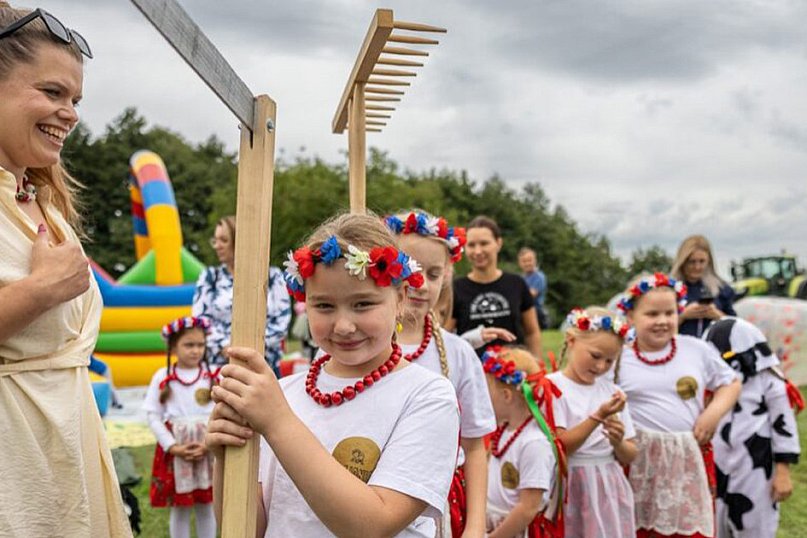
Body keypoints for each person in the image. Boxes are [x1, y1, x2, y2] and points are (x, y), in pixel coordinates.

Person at [206, 212, 460, 537]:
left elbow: (372, 526)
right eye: (323, 306)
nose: (343, 326)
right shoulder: (282, 393)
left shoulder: (427, 396)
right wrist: (225, 460)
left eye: (363, 304)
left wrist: (277, 422)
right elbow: (245, 528)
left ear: (400, 299)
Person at [0, 4, 132, 536]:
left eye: (75, 99)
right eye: (52, 93)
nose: (71, 113)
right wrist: (39, 291)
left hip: (63, 459)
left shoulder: (46, 203)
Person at [386, 210, 496, 537]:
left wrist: (475, 526)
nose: (420, 284)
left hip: (440, 504)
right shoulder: (358, 349)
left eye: (433, 274)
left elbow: (476, 446)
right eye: (410, 270)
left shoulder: (458, 353)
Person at [615, 273, 741, 538]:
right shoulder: (619, 357)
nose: (662, 321)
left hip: (686, 459)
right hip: (638, 461)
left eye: (669, 313)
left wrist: (712, 414)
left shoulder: (695, 349)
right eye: (652, 314)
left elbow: (731, 383)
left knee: (688, 530)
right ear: (630, 317)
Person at [703, 317, 801, 538]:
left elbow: (783, 426)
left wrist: (783, 473)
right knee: (712, 524)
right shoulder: (709, 381)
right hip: (715, 466)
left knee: (755, 524)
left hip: (756, 467)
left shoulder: (769, 382)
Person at [547, 307, 638, 538]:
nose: (600, 367)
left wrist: (618, 442)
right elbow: (561, 446)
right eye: (595, 356)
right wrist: (597, 417)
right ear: (571, 340)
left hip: (607, 485)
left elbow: (630, 454)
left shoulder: (612, 392)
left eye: (609, 361)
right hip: (571, 483)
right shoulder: (553, 387)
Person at [144, 317, 218, 538]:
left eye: (200, 345)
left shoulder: (213, 376)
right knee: (181, 507)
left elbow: (221, 411)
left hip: (207, 450)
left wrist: (209, 443)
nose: (196, 351)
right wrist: (172, 446)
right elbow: (152, 415)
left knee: (207, 505)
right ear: (173, 347)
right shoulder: (163, 377)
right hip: (177, 454)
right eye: (189, 345)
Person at [192, 215, 291, 374]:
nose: (217, 246)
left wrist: (252, 351)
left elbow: (281, 321)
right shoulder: (210, 277)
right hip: (220, 367)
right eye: (215, 240)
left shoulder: (272, 276)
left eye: (223, 240)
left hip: (265, 366)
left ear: (241, 241)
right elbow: (201, 319)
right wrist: (227, 348)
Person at [482, 346, 561, 538]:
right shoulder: (504, 431)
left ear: (506, 396)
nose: (483, 398)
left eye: (487, 391)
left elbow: (528, 507)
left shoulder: (534, 443)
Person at [447, 216, 542, 358]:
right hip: (472, 374)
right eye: (471, 245)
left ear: (498, 243)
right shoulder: (455, 288)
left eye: (484, 243)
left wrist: (537, 368)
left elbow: (532, 332)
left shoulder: (517, 283)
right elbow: (445, 337)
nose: (477, 251)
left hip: (515, 371)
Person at [671, 235, 736, 338]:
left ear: (709, 261)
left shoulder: (722, 289)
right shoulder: (669, 289)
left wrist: (717, 315)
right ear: (682, 262)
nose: (697, 267)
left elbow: (737, 327)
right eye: (692, 262)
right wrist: (683, 316)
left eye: (702, 261)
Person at [518, 247, 549, 329]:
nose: (527, 263)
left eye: (530, 260)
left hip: (535, 311)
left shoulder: (539, 277)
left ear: (535, 261)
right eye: (524, 261)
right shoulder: (521, 278)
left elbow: (531, 294)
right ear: (520, 263)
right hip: (522, 310)